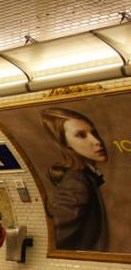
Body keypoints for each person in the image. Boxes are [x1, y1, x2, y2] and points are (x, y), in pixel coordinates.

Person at [41, 108, 108, 251]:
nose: (97, 142)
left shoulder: (86, 177)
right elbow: (54, 232)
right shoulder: (76, 183)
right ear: (65, 143)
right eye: (81, 135)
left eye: (94, 133)